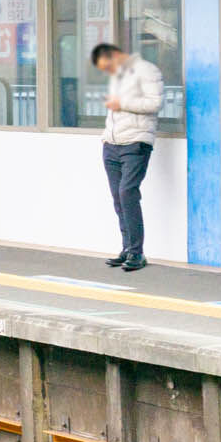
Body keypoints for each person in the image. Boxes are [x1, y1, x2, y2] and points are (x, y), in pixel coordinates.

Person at [91, 42, 164, 271]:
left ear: (115, 55)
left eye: (107, 66)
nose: (107, 71)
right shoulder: (118, 76)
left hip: (136, 142)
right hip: (112, 143)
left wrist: (122, 103)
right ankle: (126, 248)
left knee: (127, 193)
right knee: (118, 197)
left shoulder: (147, 70)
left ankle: (137, 252)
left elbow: (155, 103)